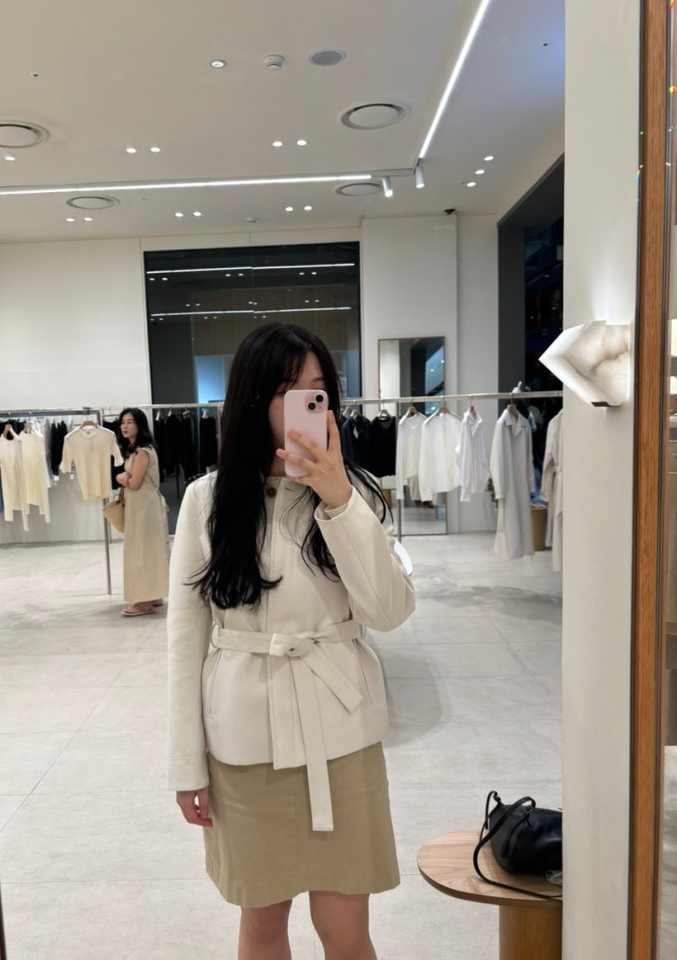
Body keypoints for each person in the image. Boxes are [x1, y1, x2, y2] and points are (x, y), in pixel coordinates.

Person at [167, 323, 415, 959]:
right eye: (287, 391)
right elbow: (186, 642)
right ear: (253, 400)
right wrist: (186, 762)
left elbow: (389, 611)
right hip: (245, 745)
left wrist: (337, 499)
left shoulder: (354, 494)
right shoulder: (205, 501)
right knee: (262, 924)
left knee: (347, 931)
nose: (306, 404)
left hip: (342, 737)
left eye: (317, 391)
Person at [115, 407, 169, 616]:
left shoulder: (142, 452)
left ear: (140, 425)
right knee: (149, 549)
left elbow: (135, 483)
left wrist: (122, 478)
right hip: (143, 506)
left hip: (143, 507)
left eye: (130, 422)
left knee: (141, 551)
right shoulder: (137, 450)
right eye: (123, 422)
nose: (125, 426)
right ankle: (153, 594)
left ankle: (143, 601)